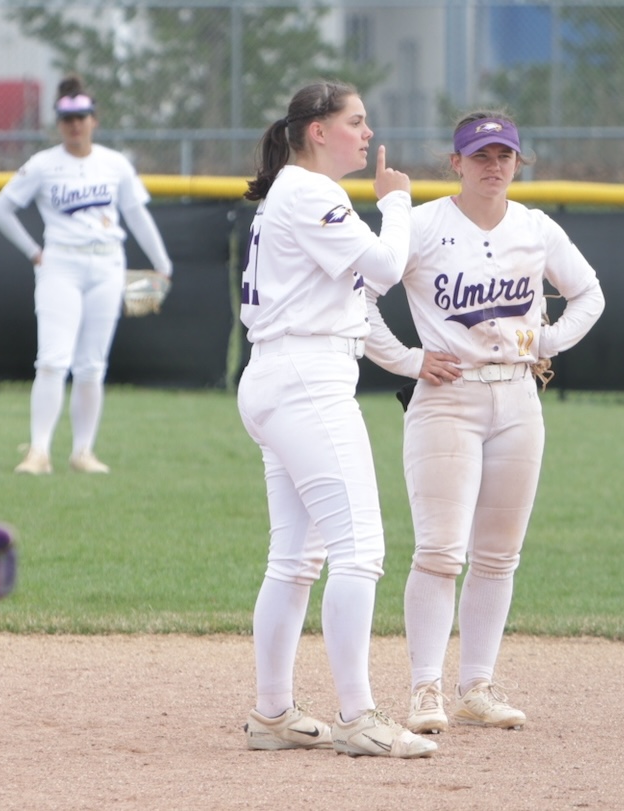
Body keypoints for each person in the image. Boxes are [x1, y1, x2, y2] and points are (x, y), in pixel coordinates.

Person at [364, 110, 605, 733]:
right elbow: (359, 299)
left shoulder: (535, 227)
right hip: (448, 398)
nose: (493, 166)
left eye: (504, 156)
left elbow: (590, 294)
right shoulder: (422, 225)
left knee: (499, 555)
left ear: (517, 163)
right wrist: (408, 360)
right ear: (456, 163)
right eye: (480, 156)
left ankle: (476, 686)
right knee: (440, 551)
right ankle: (424, 689)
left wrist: (548, 341)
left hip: (519, 399)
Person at [237, 80, 436, 759]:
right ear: (318, 130)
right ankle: (358, 716)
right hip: (306, 378)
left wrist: (408, 360)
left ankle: (272, 713)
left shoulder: (294, 193)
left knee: (296, 559)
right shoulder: (310, 192)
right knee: (359, 551)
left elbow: (357, 298)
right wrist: (398, 202)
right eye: (356, 120)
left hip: (283, 373)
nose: (367, 131)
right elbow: (384, 266)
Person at [0, 75, 173, 475]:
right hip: (61, 265)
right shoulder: (43, 165)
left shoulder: (114, 163)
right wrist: (33, 251)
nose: (75, 124)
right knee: (52, 360)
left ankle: (83, 452)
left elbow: (136, 214)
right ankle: (38, 452)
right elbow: (0, 209)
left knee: (92, 365)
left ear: (94, 119)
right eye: (67, 118)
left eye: (82, 116)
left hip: (107, 264)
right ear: (59, 122)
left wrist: (163, 263)